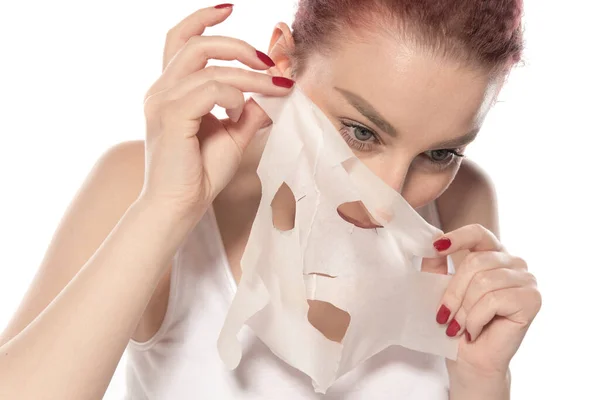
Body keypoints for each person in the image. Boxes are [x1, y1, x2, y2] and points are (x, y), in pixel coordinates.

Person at [0, 1, 541, 399]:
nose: (384, 205)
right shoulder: (137, 184)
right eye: (360, 132)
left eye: (441, 153)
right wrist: (166, 208)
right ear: (282, 60)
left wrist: (483, 379)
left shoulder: (463, 203)